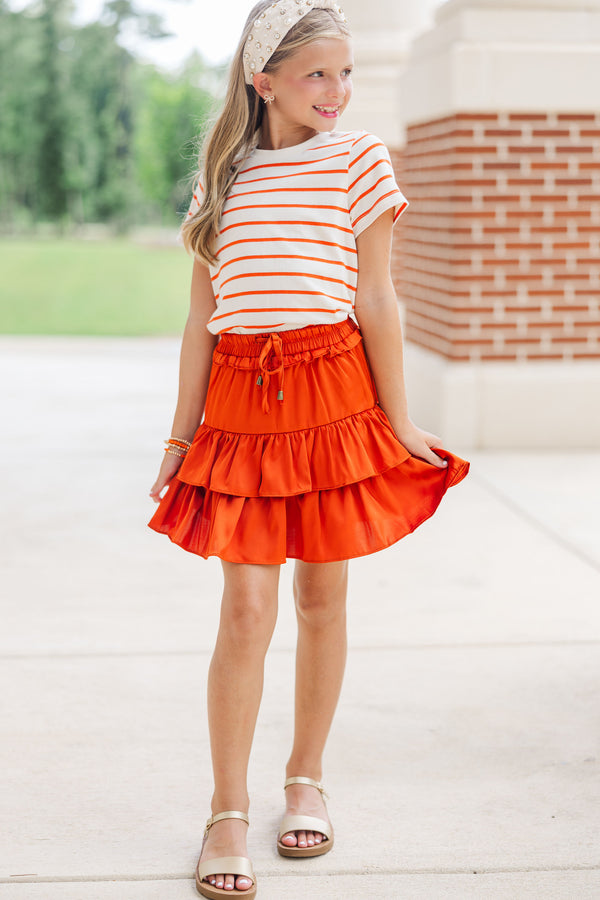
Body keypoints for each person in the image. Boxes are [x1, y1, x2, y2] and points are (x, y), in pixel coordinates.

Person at [148, 1, 469, 896]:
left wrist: (400, 425)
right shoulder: (225, 178)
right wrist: (180, 438)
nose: (338, 91)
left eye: (346, 73)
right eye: (318, 73)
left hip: (334, 392)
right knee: (246, 611)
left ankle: (306, 779)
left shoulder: (361, 160)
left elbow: (378, 302)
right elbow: (199, 325)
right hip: (241, 406)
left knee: (321, 593)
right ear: (265, 81)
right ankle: (226, 809)